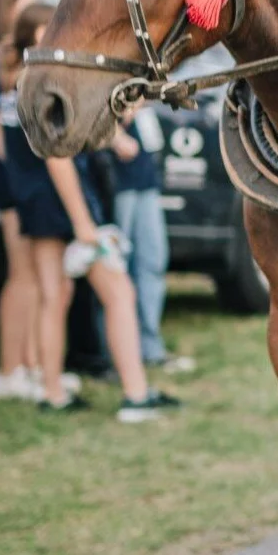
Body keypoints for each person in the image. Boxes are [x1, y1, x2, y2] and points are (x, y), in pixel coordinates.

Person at [2, 4, 177, 422]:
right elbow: (57, 158)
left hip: (40, 205)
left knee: (54, 297)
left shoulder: (19, 83)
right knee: (119, 293)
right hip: (68, 206)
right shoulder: (46, 85)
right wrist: (84, 224)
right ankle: (136, 396)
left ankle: (52, 392)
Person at [0, 0, 54, 402]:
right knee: (22, 273)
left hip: (21, 176)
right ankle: (10, 368)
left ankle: (31, 364)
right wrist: (20, 181)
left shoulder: (13, 59)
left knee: (35, 277)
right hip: (13, 177)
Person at [102, 105, 191, 375]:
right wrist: (115, 131)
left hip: (146, 182)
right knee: (117, 269)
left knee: (153, 262)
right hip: (119, 184)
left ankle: (150, 347)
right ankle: (111, 353)